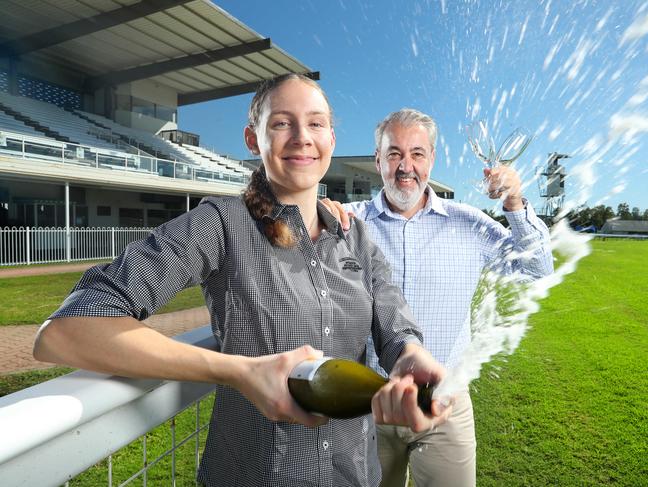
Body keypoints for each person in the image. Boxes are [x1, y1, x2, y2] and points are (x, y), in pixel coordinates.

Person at [33, 78, 452, 487]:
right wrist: (239, 372)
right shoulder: (221, 224)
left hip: (357, 475)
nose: (302, 137)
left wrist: (410, 355)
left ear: (332, 140)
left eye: (316, 123)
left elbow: (395, 328)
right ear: (253, 140)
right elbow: (66, 331)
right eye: (281, 123)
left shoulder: (357, 238)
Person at [323, 108, 553, 486]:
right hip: (365, 407)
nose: (405, 166)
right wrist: (315, 209)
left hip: (446, 404)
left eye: (417, 153)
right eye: (394, 153)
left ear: (432, 159)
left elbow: (537, 268)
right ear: (377, 160)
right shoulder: (346, 221)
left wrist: (514, 200)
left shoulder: (470, 224)